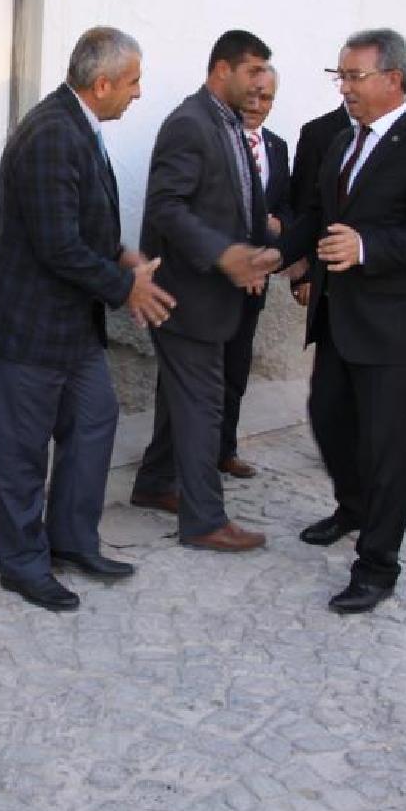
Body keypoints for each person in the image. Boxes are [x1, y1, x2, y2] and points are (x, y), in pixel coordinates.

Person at [0, 26, 174, 612]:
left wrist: (122, 257)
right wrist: (126, 288)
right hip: (28, 325)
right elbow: (57, 245)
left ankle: (73, 540)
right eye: (133, 81)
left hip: (72, 325)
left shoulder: (79, 124)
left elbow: (79, 224)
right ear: (102, 83)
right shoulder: (52, 134)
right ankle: (22, 564)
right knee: (24, 452)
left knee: (94, 420)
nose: (139, 92)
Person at [276, 27, 406, 614]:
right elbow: (316, 216)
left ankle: (378, 564)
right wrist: (273, 257)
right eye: (339, 76)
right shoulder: (340, 142)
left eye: (354, 76)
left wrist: (366, 248)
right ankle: (353, 507)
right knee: (329, 418)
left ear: (394, 79)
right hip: (339, 319)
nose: (344, 88)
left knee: (385, 446)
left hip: (396, 328)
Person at [128, 30, 280, 552]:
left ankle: (155, 483)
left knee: (183, 398)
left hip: (216, 292)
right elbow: (165, 208)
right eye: (253, 70)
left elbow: (242, 202)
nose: (260, 82)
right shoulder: (189, 124)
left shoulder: (229, 124)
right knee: (202, 404)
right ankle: (204, 519)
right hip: (183, 292)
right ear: (222, 69)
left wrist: (258, 254)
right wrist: (223, 255)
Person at [218, 67, 292, 479]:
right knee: (201, 371)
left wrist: (281, 227)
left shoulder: (277, 147)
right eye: (251, 96)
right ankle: (179, 458)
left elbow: (289, 204)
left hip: (256, 281)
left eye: (266, 99)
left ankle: (224, 448)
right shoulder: (217, 140)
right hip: (216, 276)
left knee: (236, 366)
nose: (256, 105)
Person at [287, 101, 351, 307]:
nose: (346, 88)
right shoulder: (319, 132)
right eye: (342, 82)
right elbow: (304, 204)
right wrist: (305, 272)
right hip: (325, 277)